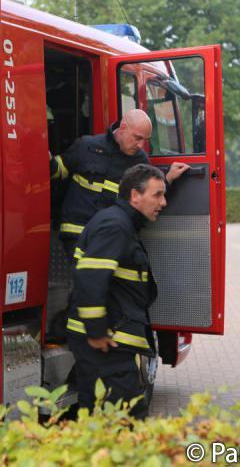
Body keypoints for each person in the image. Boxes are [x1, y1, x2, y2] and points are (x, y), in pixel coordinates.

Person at [65, 163, 166, 419]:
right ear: (135, 195)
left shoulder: (121, 223)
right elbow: (90, 276)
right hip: (106, 344)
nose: (163, 202)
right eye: (157, 194)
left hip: (108, 341)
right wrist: (97, 331)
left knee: (97, 416)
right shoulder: (115, 226)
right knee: (126, 418)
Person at [50, 109, 189, 259]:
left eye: (145, 140)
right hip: (76, 233)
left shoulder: (140, 161)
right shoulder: (87, 146)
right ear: (123, 128)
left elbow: (147, 197)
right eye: (137, 138)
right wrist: (45, 158)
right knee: (90, 271)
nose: (141, 145)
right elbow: (58, 170)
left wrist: (168, 179)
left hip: (110, 235)